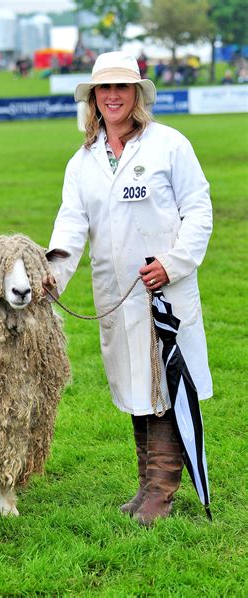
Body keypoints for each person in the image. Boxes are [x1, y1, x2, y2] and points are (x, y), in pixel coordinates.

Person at [46, 51, 212, 526]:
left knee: (165, 383)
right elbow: (71, 225)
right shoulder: (82, 162)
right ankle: (146, 484)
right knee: (136, 385)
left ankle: (163, 488)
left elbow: (199, 210)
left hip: (166, 291)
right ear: (94, 98)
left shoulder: (169, 145)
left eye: (122, 88)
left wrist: (173, 263)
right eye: (104, 89)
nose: (113, 96)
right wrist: (51, 277)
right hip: (115, 294)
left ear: (137, 94)